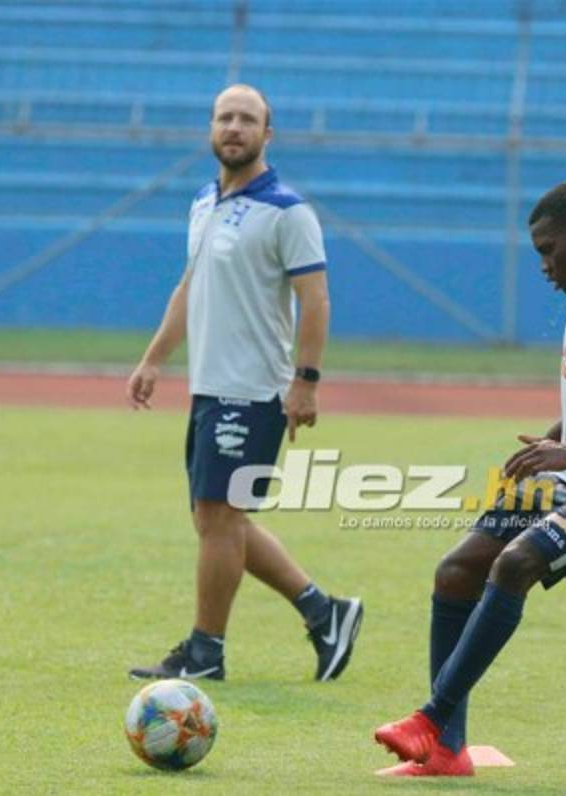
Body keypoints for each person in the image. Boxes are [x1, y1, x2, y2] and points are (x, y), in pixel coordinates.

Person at [372, 181, 566, 776]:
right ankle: (448, 752)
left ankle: (432, 721)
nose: (543, 266)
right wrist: (552, 444)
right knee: (456, 570)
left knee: (515, 563)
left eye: (548, 250)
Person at [126, 84, 363, 683]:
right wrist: (153, 359)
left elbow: (316, 299)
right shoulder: (203, 201)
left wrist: (306, 381)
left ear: (267, 134)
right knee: (217, 520)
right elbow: (190, 287)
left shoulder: (287, 211)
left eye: (247, 119)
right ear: (211, 128)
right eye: (225, 117)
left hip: (254, 389)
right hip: (210, 385)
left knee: (218, 516)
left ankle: (206, 653)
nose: (234, 127)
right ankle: (325, 613)